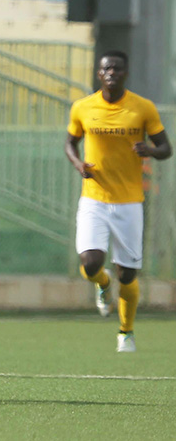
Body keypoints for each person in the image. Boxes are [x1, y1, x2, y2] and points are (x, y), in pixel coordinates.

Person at [64, 50, 171, 353]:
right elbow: (70, 142)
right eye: (106, 68)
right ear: (99, 73)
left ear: (125, 73)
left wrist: (150, 150)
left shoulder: (142, 108)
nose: (111, 72)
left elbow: (166, 147)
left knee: (128, 274)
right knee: (90, 262)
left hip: (129, 203)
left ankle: (126, 331)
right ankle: (102, 283)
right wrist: (77, 164)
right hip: (94, 199)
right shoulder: (83, 107)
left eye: (117, 69)